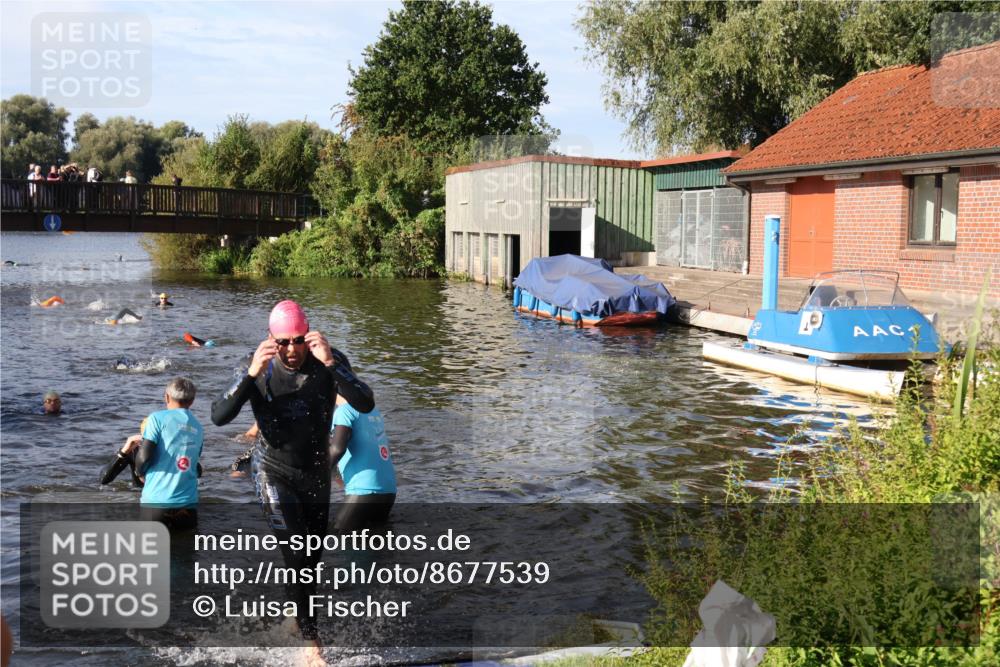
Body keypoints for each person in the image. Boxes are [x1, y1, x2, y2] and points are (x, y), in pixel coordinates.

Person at [211, 300, 374, 662]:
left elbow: (365, 402)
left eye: (297, 340)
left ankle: (297, 618)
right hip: (272, 470)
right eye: (282, 342)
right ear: (271, 338)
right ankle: (312, 646)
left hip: (315, 472)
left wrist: (332, 365)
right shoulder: (256, 368)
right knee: (297, 552)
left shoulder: (328, 361)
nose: (290, 350)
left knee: (309, 561)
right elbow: (219, 416)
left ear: (308, 335)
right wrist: (251, 373)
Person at [120, 377, 203, 530]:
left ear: (166, 397)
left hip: (157, 503)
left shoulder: (156, 419)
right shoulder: (198, 427)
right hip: (187, 505)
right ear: (192, 401)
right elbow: (196, 465)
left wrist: (139, 472)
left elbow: (144, 457)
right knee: (186, 551)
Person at [329, 393, 396, 532]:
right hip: (388, 490)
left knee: (343, 539)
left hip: (363, 491)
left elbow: (337, 449)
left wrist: (314, 475)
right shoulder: (373, 411)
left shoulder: (344, 411)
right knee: (377, 542)